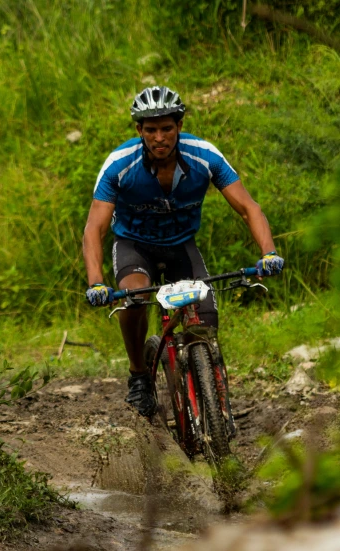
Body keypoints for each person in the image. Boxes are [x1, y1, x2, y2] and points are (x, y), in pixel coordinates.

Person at [82, 86, 284, 417]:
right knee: (132, 299)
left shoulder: (204, 156)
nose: (159, 137)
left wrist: (268, 253)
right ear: (139, 131)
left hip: (181, 246)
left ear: (179, 126)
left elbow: (248, 207)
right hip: (135, 245)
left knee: (203, 324)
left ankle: (211, 393)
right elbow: (95, 229)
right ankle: (138, 376)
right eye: (150, 130)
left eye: (166, 128)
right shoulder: (119, 165)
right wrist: (96, 282)